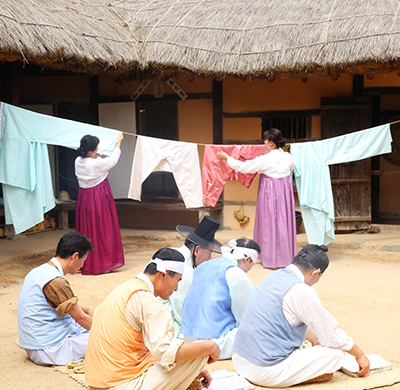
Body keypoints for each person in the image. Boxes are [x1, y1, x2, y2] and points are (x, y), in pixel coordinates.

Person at [232, 244, 370, 388]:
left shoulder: (274, 276)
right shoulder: (301, 290)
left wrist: (315, 338)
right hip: (264, 370)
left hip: (240, 360)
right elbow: (331, 334)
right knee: (337, 354)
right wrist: (359, 355)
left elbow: (281, 319)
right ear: (315, 273)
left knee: (312, 343)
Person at [85, 247, 220, 390]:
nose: (176, 288)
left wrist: (193, 371)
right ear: (164, 274)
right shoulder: (147, 301)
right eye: (177, 281)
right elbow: (166, 352)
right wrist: (210, 347)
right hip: (120, 384)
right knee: (200, 352)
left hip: (98, 382)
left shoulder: (124, 288)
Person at [217, 128, 296, 269]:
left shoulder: (265, 159)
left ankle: (269, 257)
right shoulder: (288, 157)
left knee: (269, 223)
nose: (264, 143)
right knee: (283, 223)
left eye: (265, 140)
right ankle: (285, 256)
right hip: (283, 194)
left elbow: (244, 167)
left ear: (271, 143)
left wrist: (227, 158)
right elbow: (291, 168)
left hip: (270, 194)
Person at [17, 231, 94, 365]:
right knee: (107, 338)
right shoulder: (56, 281)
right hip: (48, 348)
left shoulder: (39, 271)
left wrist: (88, 309)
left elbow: (63, 307)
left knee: (89, 322)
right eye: (84, 259)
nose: (83, 264)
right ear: (75, 256)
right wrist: (105, 329)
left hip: (34, 344)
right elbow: (81, 318)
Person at [181, 238, 260, 360]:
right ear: (248, 259)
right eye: (251, 265)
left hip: (188, 337)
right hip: (215, 342)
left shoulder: (203, 266)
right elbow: (247, 316)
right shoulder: (236, 273)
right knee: (257, 330)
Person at [161, 215, 222, 337]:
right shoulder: (184, 270)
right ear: (197, 250)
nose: (209, 259)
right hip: (162, 318)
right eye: (209, 254)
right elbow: (180, 313)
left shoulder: (173, 252)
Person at [75, 133, 125, 275]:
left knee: (87, 227)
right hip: (98, 197)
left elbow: (92, 162)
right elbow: (113, 159)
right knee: (102, 227)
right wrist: (118, 143)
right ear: (92, 150)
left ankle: (87, 261)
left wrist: (97, 156)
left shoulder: (78, 161)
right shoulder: (96, 163)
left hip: (84, 197)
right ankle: (103, 261)